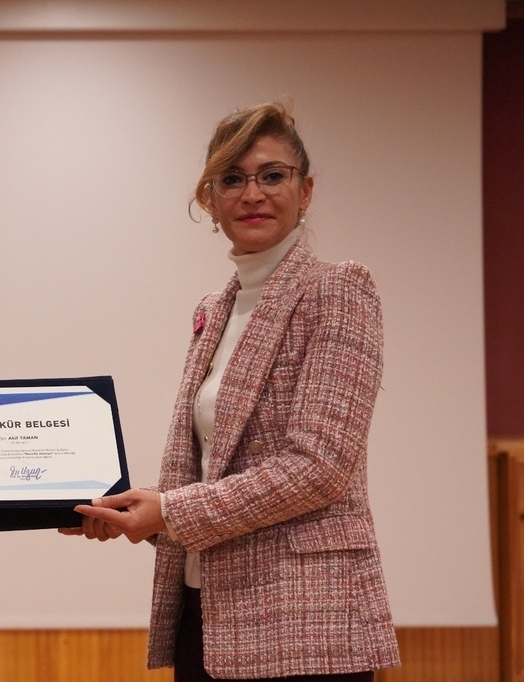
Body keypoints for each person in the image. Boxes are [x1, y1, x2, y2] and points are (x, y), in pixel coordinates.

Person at [63, 103, 400, 680]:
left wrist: (169, 511)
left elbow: (319, 467)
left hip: (306, 622)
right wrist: (132, 510)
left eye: (272, 175)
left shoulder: (338, 289)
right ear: (210, 199)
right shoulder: (213, 309)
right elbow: (214, 473)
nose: (253, 194)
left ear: (305, 190)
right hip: (206, 613)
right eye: (233, 179)